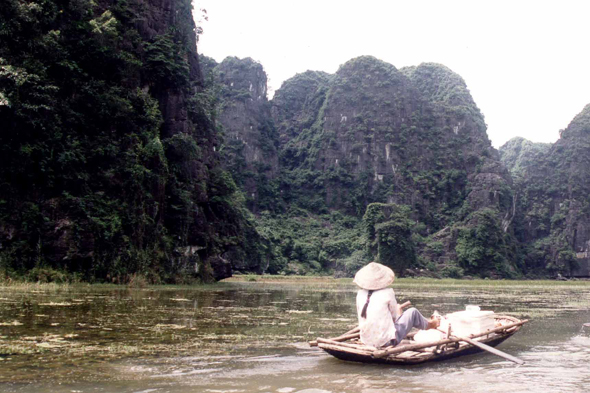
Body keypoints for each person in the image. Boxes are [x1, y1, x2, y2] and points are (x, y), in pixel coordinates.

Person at [354, 262, 440, 348]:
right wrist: (399, 311)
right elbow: (394, 317)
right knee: (413, 312)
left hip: (365, 341)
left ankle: (429, 323)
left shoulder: (360, 294)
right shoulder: (388, 292)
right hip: (386, 341)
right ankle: (432, 324)